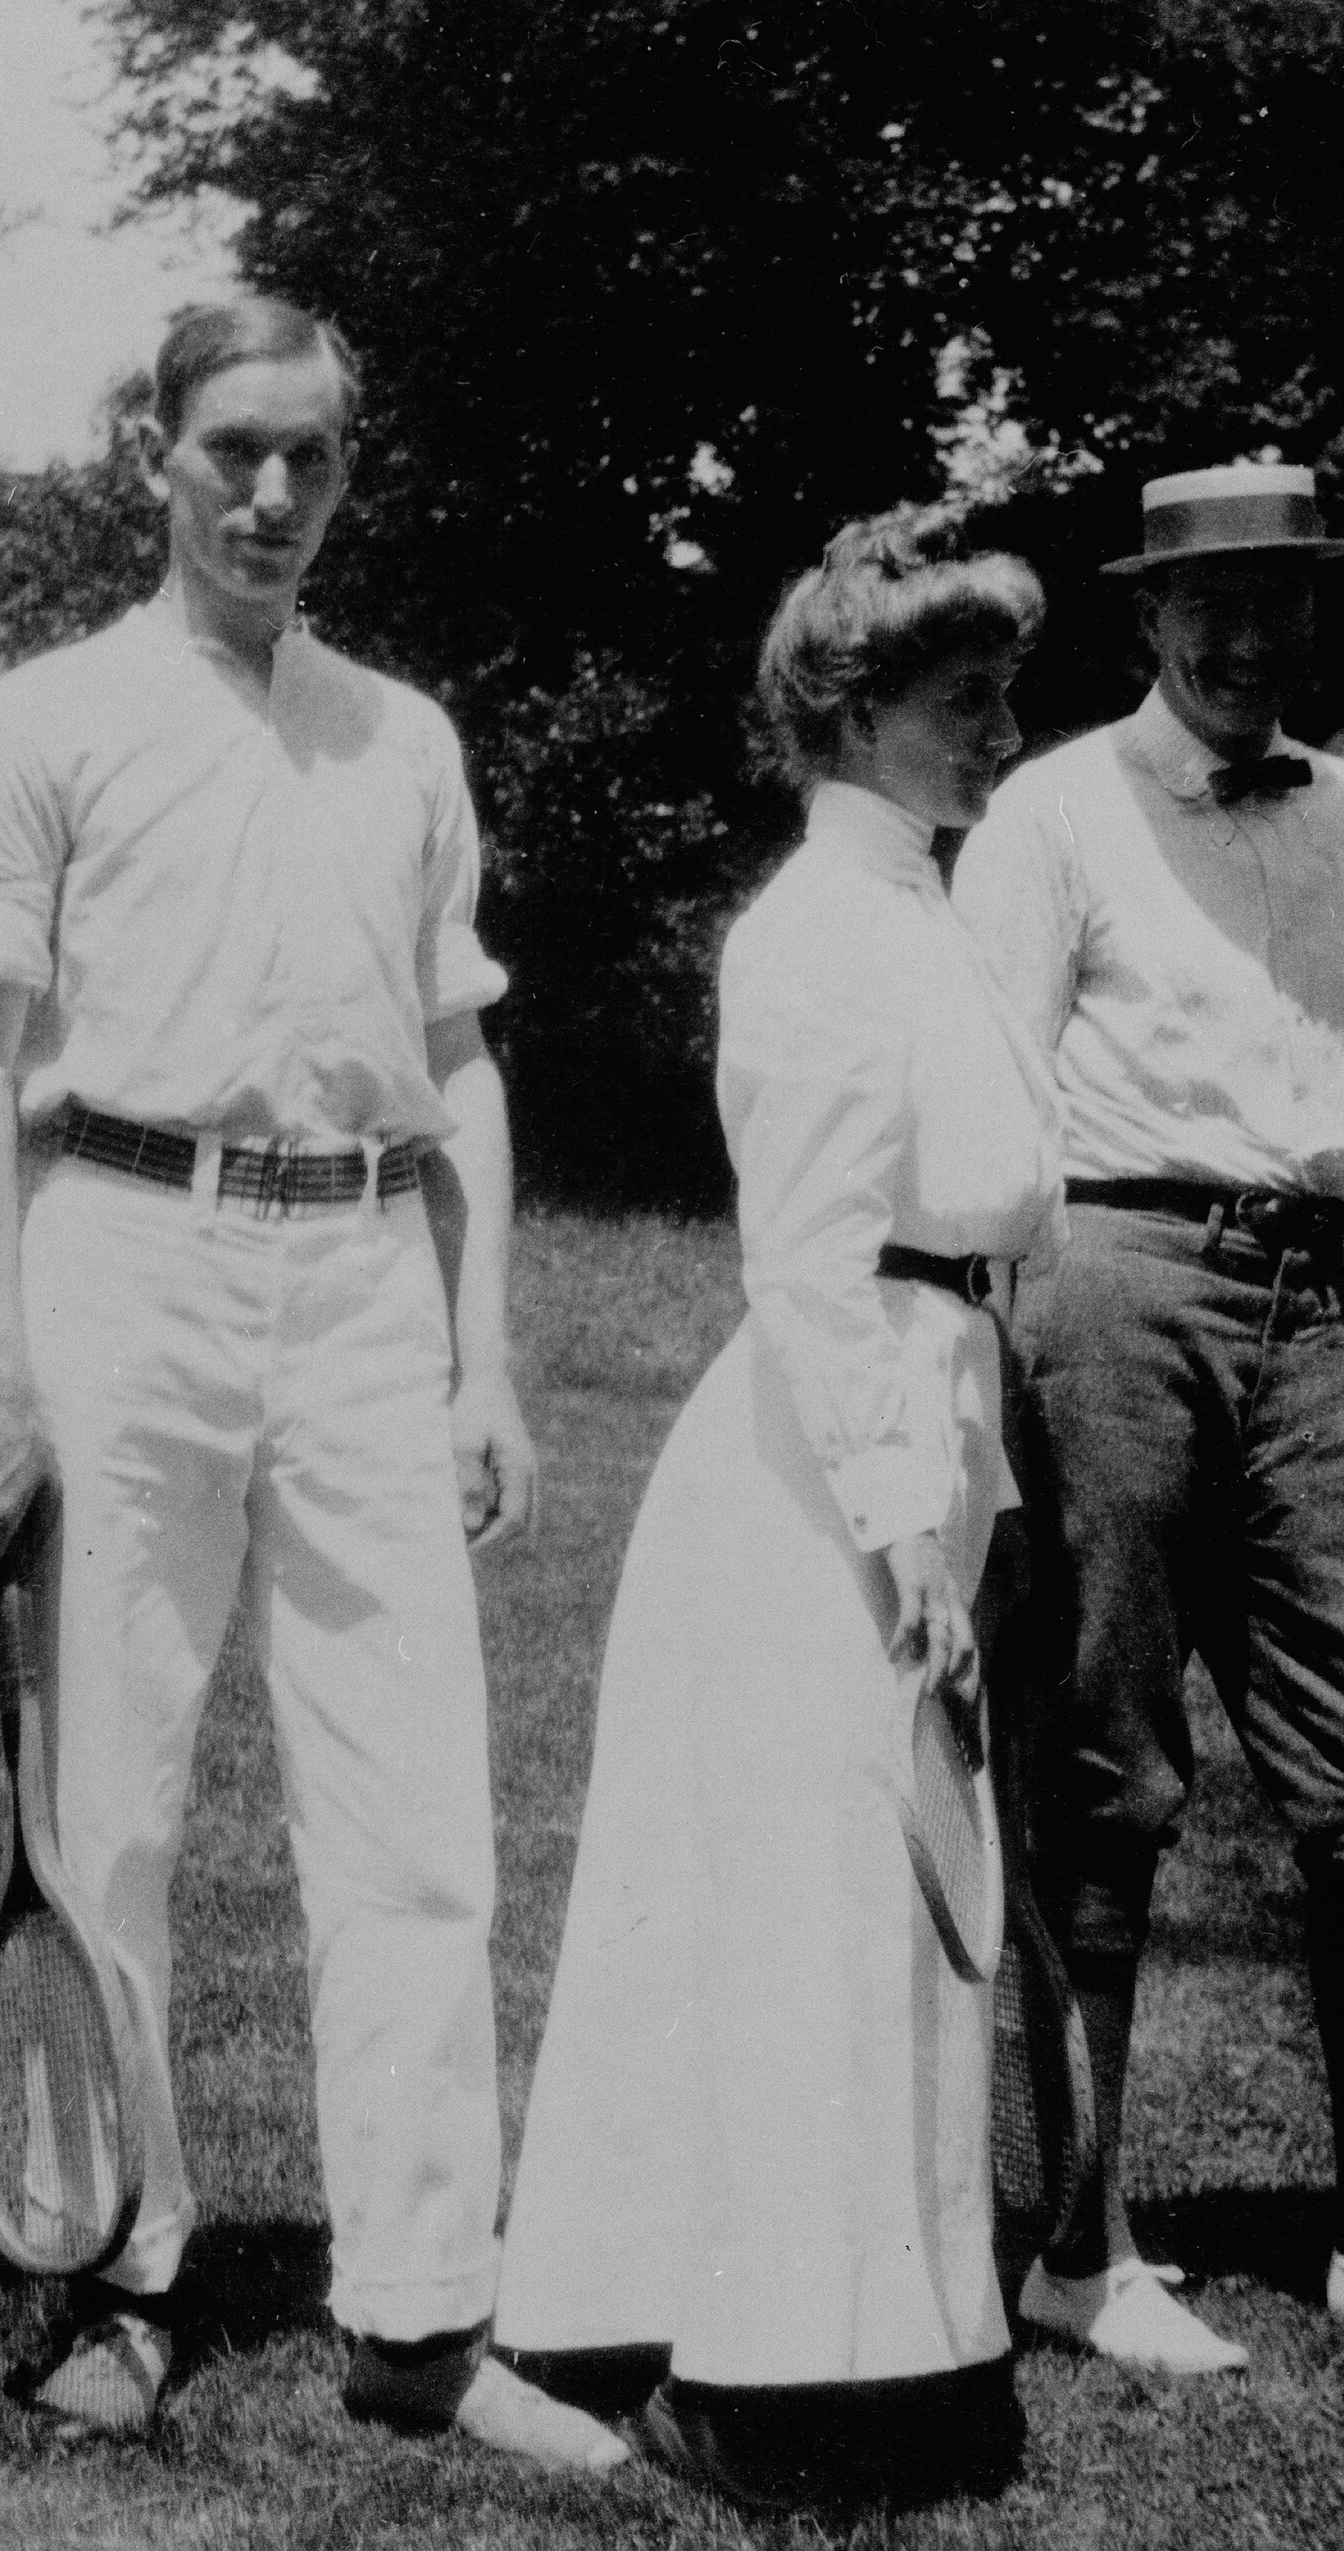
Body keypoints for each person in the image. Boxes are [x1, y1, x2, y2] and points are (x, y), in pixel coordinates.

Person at [0, 295, 615, 2467]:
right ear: (153, 447)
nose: (270, 493)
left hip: (357, 1285)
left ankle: (419, 2313)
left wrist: (479, 1345)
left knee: (414, 1822)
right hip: (116, 1254)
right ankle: (118, 2277)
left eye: (310, 455)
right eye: (233, 446)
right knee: (101, 1810)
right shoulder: (41, 716)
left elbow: (457, 1057)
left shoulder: (399, 734)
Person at [952, 461, 1344, 2374]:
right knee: (1108, 1771)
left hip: (1315, 1303)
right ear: (1149, 617)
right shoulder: (1052, 809)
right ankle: (1083, 2246)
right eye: (1206, 606)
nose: (1244, 641)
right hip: (1108, 1284)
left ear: (1314, 616)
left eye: (1278, 605)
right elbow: (981, 1112)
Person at [491, 504, 1064, 2511]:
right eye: (957, 697)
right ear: (847, 709)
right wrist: (904, 1532)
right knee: (814, 1895)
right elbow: (807, 1264)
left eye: (1003, 692)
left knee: (884, 1900)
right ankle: (754, 2369)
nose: (995, 730)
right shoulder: (813, 931)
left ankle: (877, 2336)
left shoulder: (927, 915)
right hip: (822, 1467)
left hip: (926, 1413)